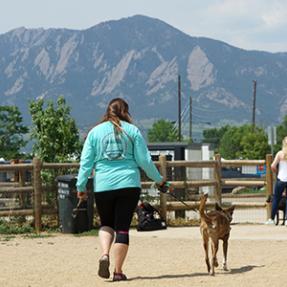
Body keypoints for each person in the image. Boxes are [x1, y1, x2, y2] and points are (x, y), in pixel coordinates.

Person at [76, 98, 167, 281]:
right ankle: (118, 271)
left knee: (106, 223)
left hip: (103, 185)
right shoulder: (132, 131)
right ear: (126, 111)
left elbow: (86, 163)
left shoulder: (95, 132)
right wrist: (159, 180)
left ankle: (104, 254)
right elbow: (144, 161)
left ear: (107, 111)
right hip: (129, 184)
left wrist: (81, 186)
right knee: (122, 228)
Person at [265, 136, 287, 225]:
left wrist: (277, 172)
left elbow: (272, 166)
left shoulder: (280, 153)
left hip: (281, 179)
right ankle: (286, 220)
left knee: (276, 199)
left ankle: (271, 219)